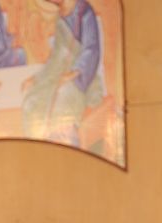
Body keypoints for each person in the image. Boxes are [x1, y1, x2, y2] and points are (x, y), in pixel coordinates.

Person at [21, 0, 103, 147]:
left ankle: (67, 150)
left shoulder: (84, 11)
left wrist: (74, 73)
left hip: (82, 76)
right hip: (58, 74)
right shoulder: (61, 17)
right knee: (31, 100)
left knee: (64, 96)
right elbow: (56, 57)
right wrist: (37, 78)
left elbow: (91, 49)